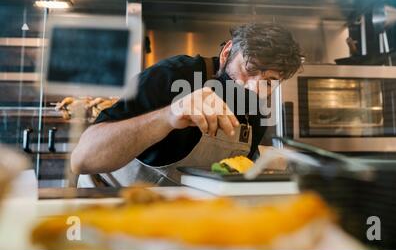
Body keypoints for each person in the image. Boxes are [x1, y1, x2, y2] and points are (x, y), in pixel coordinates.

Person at [71, 23, 304, 186]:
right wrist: (169, 116)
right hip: (110, 202)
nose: (254, 88)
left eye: (270, 81)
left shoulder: (257, 110)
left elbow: (236, 176)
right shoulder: (173, 75)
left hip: (177, 217)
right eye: (250, 69)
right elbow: (82, 159)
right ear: (226, 53)